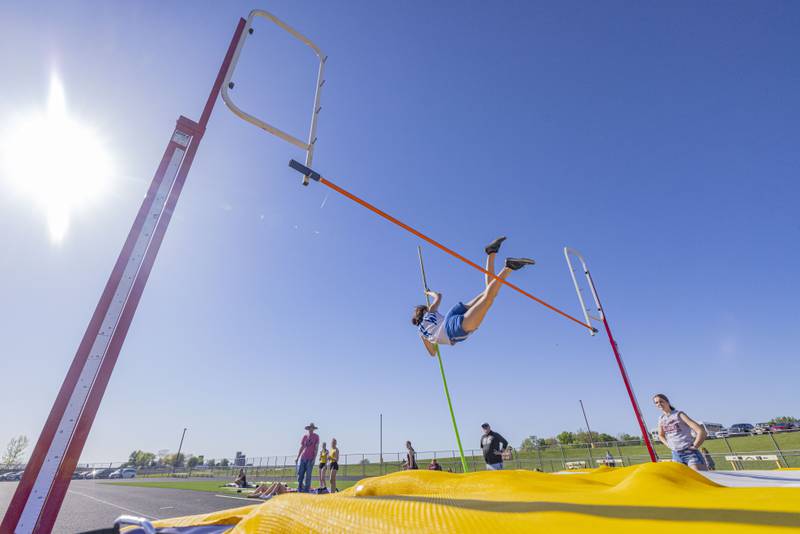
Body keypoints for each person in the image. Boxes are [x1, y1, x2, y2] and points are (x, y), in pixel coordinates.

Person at [412, 237, 534, 354]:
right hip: (451, 315)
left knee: (488, 299)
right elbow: (438, 296)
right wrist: (428, 292)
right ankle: (491, 253)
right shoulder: (430, 312)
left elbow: (432, 353)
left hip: (451, 331)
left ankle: (508, 268)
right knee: (490, 291)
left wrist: (433, 343)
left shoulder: (421, 333)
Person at [653, 393, 708, 471]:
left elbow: (701, 431)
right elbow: (661, 435)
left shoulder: (679, 414)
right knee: (684, 481)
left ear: (667, 402)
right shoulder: (661, 419)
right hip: (676, 455)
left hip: (690, 453)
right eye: (656, 403)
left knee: (699, 478)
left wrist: (695, 446)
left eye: (661, 401)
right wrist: (669, 445)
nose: (659, 404)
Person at [295, 423, 320, 492]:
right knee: (300, 474)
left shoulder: (316, 436)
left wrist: (314, 459)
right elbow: (302, 447)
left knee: (308, 476)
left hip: (310, 458)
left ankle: (306, 490)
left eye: (312, 428)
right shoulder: (305, 436)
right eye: (310, 428)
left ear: (313, 429)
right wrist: (297, 457)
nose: (311, 429)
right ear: (308, 429)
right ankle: (299, 488)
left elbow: (316, 448)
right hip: (303, 458)